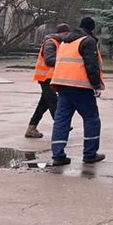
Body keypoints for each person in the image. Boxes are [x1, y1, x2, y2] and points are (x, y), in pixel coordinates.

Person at [49, 16, 105, 166]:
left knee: (61, 121)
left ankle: (58, 155)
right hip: (80, 87)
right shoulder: (88, 41)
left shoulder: (65, 42)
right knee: (91, 119)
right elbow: (91, 66)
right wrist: (96, 85)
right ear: (92, 29)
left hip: (62, 85)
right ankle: (90, 154)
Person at [25, 23, 70, 138]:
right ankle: (62, 125)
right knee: (53, 101)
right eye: (65, 33)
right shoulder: (51, 42)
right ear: (60, 33)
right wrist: (64, 61)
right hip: (45, 78)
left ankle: (31, 128)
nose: (67, 36)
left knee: (43, 104)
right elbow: (49, 60)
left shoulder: (58, 43)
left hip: (50, 77)